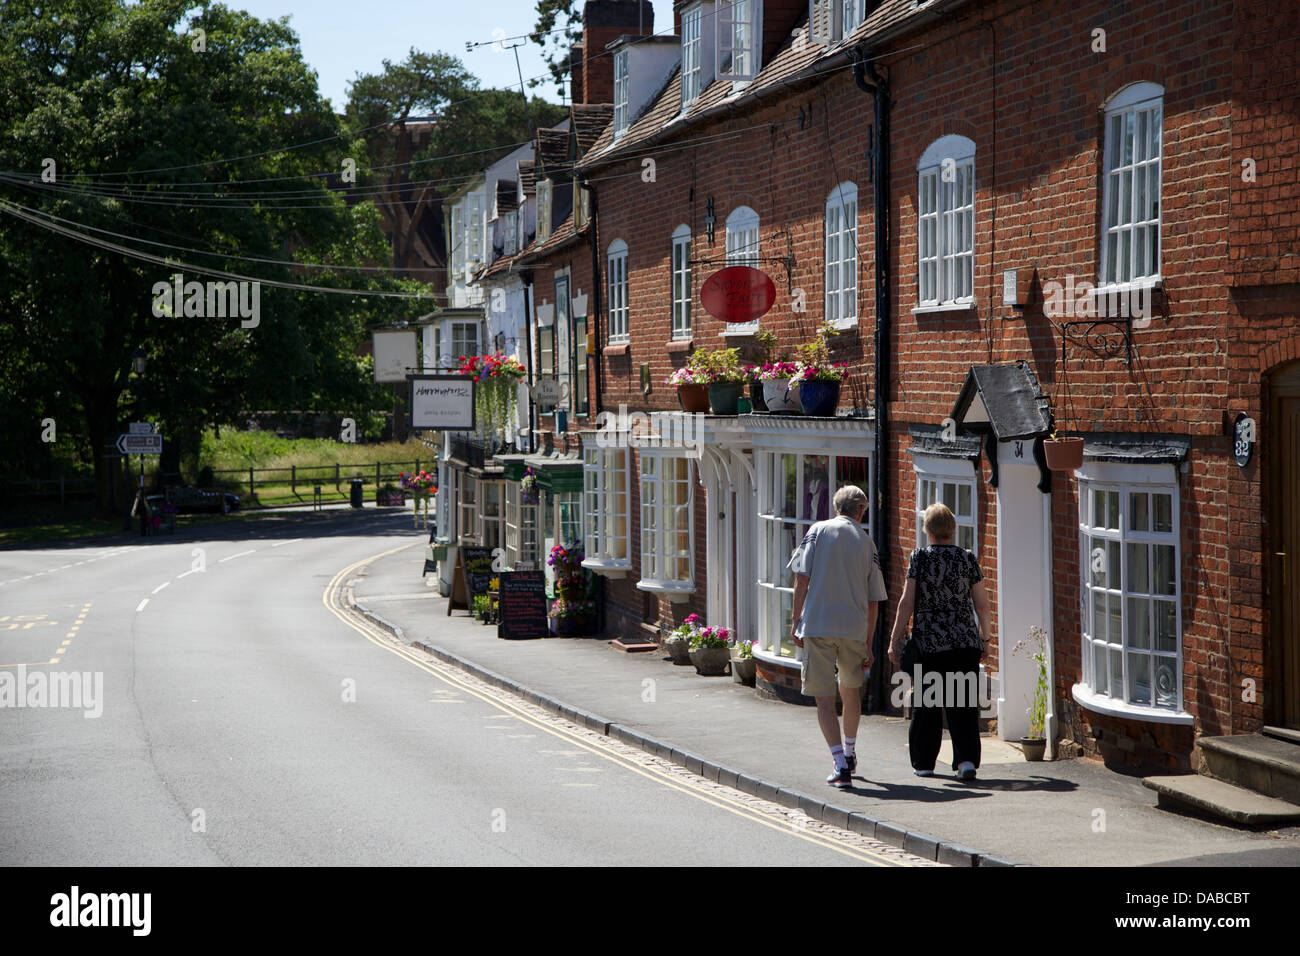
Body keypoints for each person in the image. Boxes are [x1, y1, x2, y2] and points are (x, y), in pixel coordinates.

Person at [789, 485, 888, 790]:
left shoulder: (817, 532)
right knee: (851, 692)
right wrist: (868, 642)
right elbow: (874, 601)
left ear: (836, 508)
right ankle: (850, 750)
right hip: (854, 629)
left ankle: (839, 764)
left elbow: (801, 578)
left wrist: (796, 620)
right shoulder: (867, 542)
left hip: (819, 626)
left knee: (823, 698)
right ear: (861, 511)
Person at [888, 502, 991, 781]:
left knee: (927, 704)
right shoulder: (968, 558)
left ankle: (924, 763)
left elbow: (907, 602)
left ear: (927, 530)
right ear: (952, 530)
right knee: (963, 704)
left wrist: (895, 638)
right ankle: (966, 762)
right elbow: (982, 605)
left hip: (929, 642)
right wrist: (986, 639)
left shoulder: (919, 558)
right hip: (964, 641)